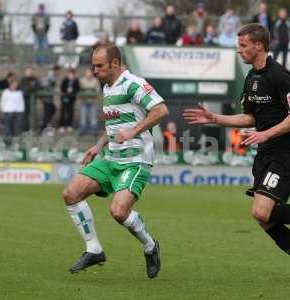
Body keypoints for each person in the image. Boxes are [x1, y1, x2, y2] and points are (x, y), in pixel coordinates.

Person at [183, 24, 290, 257]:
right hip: (265, 153)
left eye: (243, 46)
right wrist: (215, 118)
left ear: (258, 46)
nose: (238, 51)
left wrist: (266, 133)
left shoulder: (279, 76)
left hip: (283, 153)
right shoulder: (252, 77)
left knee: (262, 212)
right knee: (265, 219)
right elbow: (250, 117)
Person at [63, 44, 168, 278]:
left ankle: (150, 246)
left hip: (136, 161)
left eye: (99, 66)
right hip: (110, 159)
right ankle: (94, 249)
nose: (94, 70)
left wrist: (134, 131)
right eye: (93, 65)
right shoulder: (108, 88)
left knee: (119, 212)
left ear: (115, 63)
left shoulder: (133, 84)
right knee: (71, 194)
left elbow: (160, 110)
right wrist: (97, 146)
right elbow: (114, 125)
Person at [0, 79, 25, 146]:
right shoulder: (5, 92)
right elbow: (2, 102)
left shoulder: (19, 92)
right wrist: (4, 110)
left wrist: (21, 111)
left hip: (18, 113)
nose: (15, 85)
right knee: (7, 129)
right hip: (8, 112)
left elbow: (21, 102)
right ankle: (7, 143)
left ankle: (16, 143)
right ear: (10, 84)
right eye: (13, 84)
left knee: (17, 128)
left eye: (16, 84)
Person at [78, 69, 101, 135]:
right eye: (87, 73)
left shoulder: (95, 80)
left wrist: (88, 90)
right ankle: (82, 130)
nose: (88, 75)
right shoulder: (81, 80)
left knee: (93, 116)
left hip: (93, 101)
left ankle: (94, 130)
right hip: (84, 101)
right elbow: (80, 90)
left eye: (89, 73)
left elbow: (97, 91)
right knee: (83, 116)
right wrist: (90, 90)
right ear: (85, 74)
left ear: (91, 74)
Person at [40, 65, 60, 132]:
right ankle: (44, 128)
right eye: (58, 71)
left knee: (52, 109)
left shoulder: (53, 76)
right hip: (46, 97)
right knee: (47, 112)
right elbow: (45, 85)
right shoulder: (50, 76)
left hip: (49, 97)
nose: (59, 72)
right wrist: (54, 89)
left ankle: (46, 124)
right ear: (55, 70)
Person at [59, 68, 80, 133]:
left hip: (72, 99)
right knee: (63, 112)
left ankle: (69, 125)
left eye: (72, 74)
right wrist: (66, 91)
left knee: (70, 112)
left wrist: (72, 91)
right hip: (64, 98)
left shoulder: (76, 81)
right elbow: (62, 88)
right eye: (70, 74)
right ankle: (61, 126)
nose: (71, 76)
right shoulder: (65, 80)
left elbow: (77, 89)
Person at [19, 67, 40, 132]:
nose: (29, 73)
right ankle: (25, 129)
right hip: (24, 99)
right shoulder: (22, 80)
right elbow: (22, 88)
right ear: (25, 72)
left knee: (32, 114)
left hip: (32, 100)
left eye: (30, 71)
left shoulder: (35, 79)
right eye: (27, 71)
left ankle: (32, 129)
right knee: (24, 115)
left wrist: (29, 88)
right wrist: (29, 88)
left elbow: (36, 87)